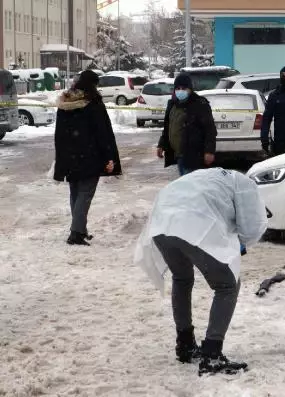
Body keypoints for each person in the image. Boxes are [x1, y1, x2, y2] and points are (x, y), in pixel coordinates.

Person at [134, 168, 268, 376]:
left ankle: (185, 344)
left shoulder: (209, 177)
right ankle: (212, 355)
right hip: (191, 222)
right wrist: (241, 245)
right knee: (227, 285)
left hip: (161, 224)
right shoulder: (246, 185)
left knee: (182, 277)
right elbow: (251, 228)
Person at [53, 70, 121, 246]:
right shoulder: (93, 104)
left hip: (70, 156)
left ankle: (80, 229)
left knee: (75, 192)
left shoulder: (65, 102)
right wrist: (109, 157)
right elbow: (103, 133)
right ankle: (76, 233)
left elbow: (59, 134)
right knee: (85, 193)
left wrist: (61, 156)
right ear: (93, 85)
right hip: (90, 155)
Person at [156, 73, 218, 176]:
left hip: (194, 156)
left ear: (190, 89)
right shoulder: (173, 104)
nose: (180, 91)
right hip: (179, 155)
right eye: (178, 88)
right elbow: (168, 127)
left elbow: (210, 130)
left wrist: (209, 151)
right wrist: (161, 144)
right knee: (185, 185)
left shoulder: (200, 104)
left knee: (192, 187)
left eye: (184, 88)